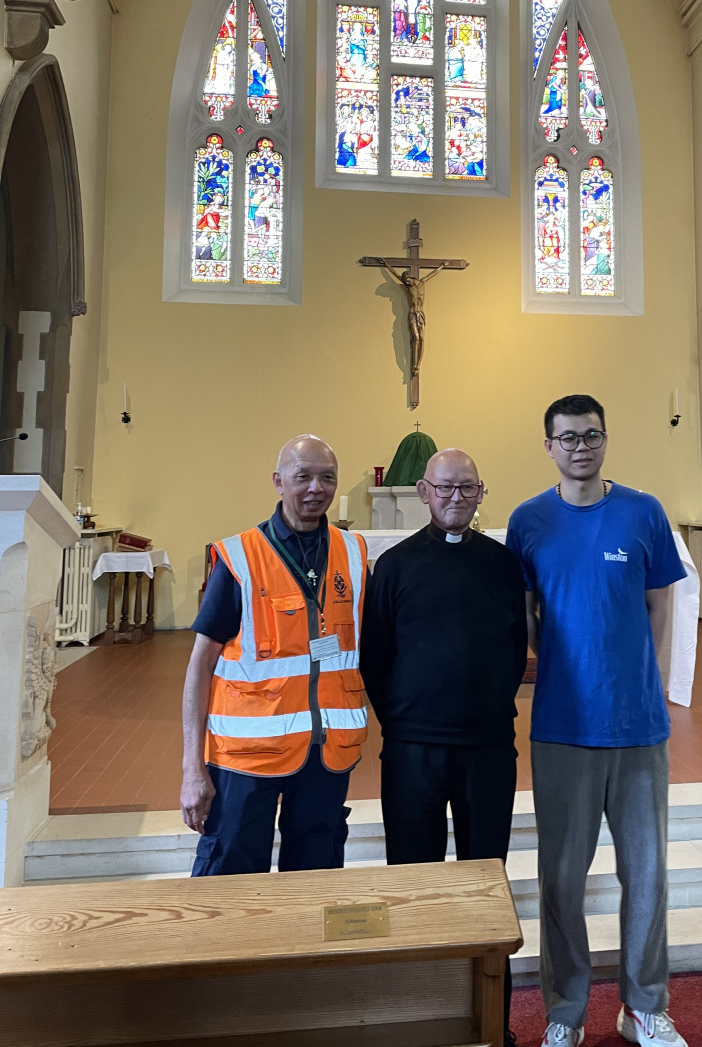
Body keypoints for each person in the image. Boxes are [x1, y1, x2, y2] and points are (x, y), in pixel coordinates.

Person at [506, 395, 690, 1047]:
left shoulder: (642, 512)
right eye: (568, 436)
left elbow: (660, 606)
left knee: (647, 872)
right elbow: (525, 616)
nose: (580, 445)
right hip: (561, 725)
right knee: (561, 876)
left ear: (605, 438)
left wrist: (657, 687)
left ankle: (643, 1003)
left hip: (638, 726)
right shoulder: (528, 520)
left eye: (591, 434)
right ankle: (565, 1009)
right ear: (549, 445)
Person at [360, 447, 526, 1047]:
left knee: (486, 885)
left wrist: (483, 709)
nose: (456, 498)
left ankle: (491, 1021)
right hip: (412, 753)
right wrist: (404, 722)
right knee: (412, 884)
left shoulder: (504, 564)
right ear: (424, 493)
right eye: (445, 488)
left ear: (482, 495)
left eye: (467, 489)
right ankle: (414, 1016)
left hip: (486, 750)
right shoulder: (396, 566)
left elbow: (515, 649)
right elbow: (375, 655)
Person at [180, 434, 368, 875]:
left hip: (326, 753)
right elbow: (200, 665)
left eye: (327, 478)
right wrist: (191, 768)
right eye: (303, 476)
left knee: (315, 879)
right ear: (278, 481)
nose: (316, 488)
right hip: (248, 755)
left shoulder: (354, 553)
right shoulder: (240, 555)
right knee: (231, 877)